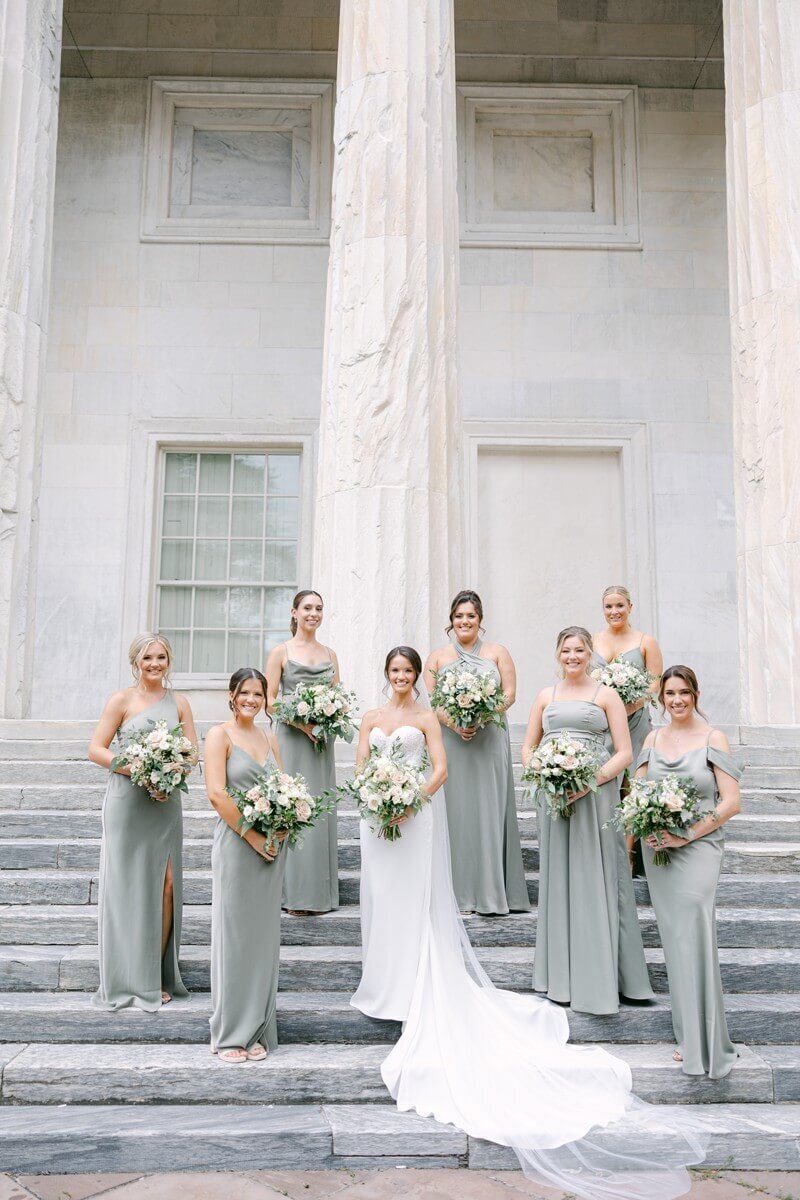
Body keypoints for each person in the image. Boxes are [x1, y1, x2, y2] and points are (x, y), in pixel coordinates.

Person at [352, 645, 706, 1200]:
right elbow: (359, 770)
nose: (399, 678)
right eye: (393, 670)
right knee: (381, 903)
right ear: (387, 675)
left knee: (415, 905)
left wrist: (409, 799)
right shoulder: (371, 719)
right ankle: (383, 982)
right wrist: (377, 798)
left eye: (406, 672)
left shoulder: (426, 717)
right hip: (379, 821)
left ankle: (415, 984)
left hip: (416, 814)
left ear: (418, 679)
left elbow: (440, 768)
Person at [522, 626, 654, 1014]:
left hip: (595, 797)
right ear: (558, 654)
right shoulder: (546, 696)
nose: (572, 656)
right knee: (560, 877)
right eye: (566, 650)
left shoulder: (606, 695)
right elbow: (528, 748)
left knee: (599, 875)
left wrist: (587, 782)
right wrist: (543, 773)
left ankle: (605, 976)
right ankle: (559, 977)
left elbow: (625, 753)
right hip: (554, 798)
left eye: (579, 650)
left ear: (590, 653)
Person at [636, 665, 742, 1078]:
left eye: (683, 693)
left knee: (695, 932)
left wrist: (687, 835)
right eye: (669, 694)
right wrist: (645, 829)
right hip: (661, 850)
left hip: (699, 847)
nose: (676, 700)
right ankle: (688, 1035)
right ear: (660, 699)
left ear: (696, 694)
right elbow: (639, 792)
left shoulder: (713, 738)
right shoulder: (652, 737)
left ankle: (708, 1041)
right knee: (676, 941)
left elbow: (731, 802)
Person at [88, 633, 196, 1010]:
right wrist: (136, 769)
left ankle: (154, 973)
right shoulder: (121, 700)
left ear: (169, 661)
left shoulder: (179, 702)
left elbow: (192, 754)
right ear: (136, 662)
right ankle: (128, 976)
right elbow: (96, 749)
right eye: (148, 657)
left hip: (165, 804)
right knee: (127, 886)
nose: (155, 663)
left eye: (161, 657)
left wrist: (171, 773)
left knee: (166, 885)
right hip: (127, 802)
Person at [423, 590, 529, 915]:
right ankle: (459, 894)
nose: (464, 621)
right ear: (451, 621)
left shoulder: (498, 653)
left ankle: (492, 893)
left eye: (470, 616)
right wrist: (456, 725)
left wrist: (482, 716)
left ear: (480, 620)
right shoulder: (437, 657)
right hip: (453, 741)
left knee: (488, 810)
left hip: (490, 738)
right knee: (457, 813)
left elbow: (509, 694)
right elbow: (434, 702)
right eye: (458, 616)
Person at [204, 668, 287, 1065]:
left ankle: (257, 1028)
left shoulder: (269, 737)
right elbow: (217, 795)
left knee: (263, 938)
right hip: (239, 844)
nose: (252, 700)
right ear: (232, 696)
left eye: (258, 694)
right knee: (235, 936)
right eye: (245, 693)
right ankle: (231, 1032)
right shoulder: (219, 735)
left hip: (271, 849)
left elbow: (286, 788)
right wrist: (253, 837)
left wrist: (285, 826)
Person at [265, 590, 340, 915]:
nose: (313, 613)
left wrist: (327, 718)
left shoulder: (330, 653)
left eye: (319, 608)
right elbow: (270, 700)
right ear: (294, 613)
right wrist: (301, 723)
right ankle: (292, 895)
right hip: (292, 740)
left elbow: (338, 698)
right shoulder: (280, 652)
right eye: (307, 608)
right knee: (291, 806)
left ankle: (318, 895)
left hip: (320, 742)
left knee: (319, 809)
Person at [593, 586, 664, 874]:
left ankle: (629, 854)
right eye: (609, 607)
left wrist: (628, 707)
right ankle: (603, 850)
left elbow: (655, 684)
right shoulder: (593, 640)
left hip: (635, 723)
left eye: (620, 606)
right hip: (602, 726)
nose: (614, 612)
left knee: (634, 785)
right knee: (605, 782)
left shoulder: (645, 641)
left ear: (630, 607)